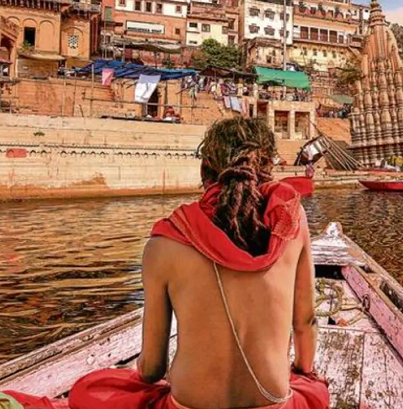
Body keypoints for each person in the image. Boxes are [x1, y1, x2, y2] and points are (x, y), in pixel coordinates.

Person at [69, 117, 329, 409]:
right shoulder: (292, 223)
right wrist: (303, 372)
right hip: (273, 403)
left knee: (90, 389)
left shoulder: (164, 243)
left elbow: (153, 369)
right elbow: (305, 321)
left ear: (205, 169)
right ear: (268, 167)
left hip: (187, 405)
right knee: (314, 387)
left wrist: (138, 370)